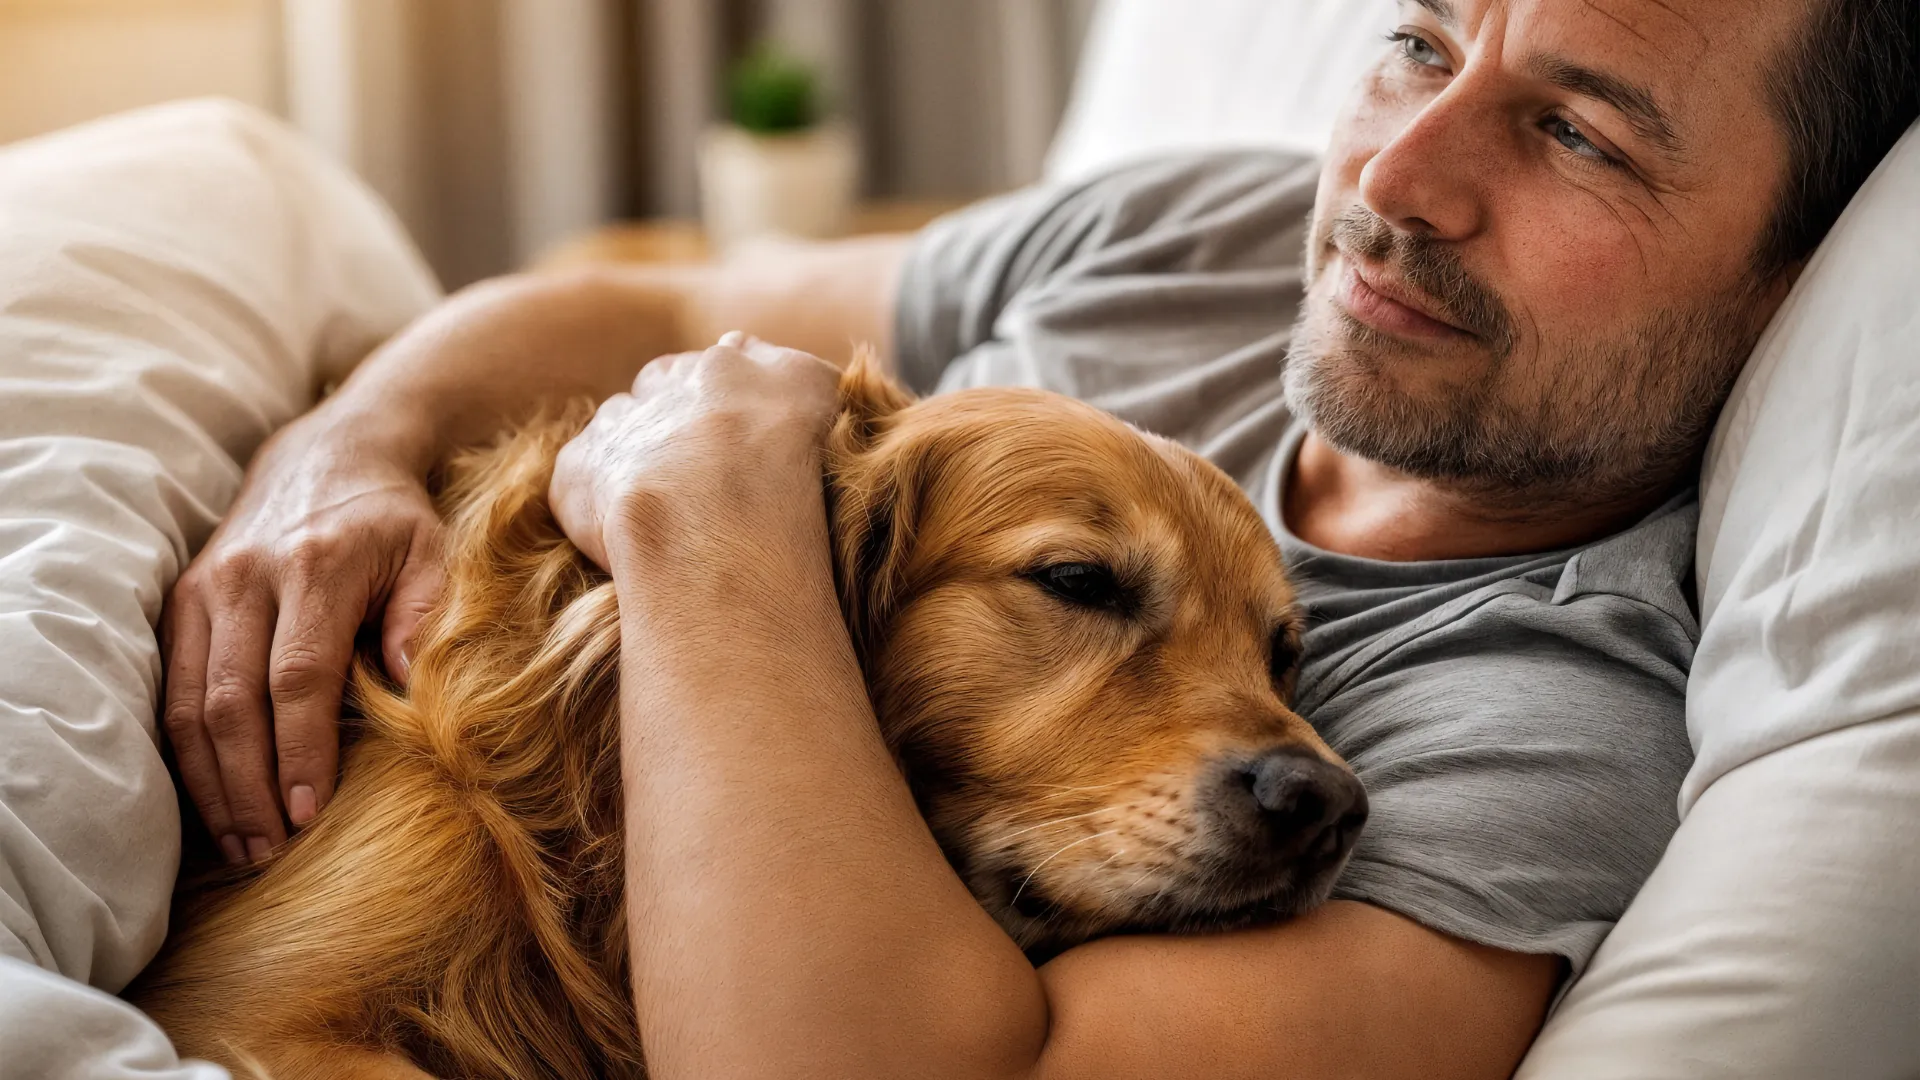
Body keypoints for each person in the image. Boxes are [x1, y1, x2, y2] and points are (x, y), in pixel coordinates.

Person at [158, 0, 1919, 1075]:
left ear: (1797, 271)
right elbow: (647, 293)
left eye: (1578, 133)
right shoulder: (1219, 226)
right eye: (1420, 44)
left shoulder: (1547, 722)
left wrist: (711, 522)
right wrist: (345, 441)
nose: (1393, 186)